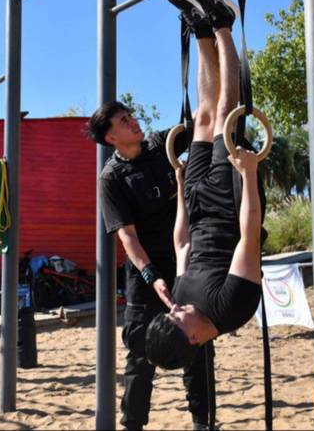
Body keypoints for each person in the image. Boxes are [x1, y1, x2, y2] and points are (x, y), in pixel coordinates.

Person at [145, 0, 265, 370]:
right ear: (195, 338)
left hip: (196, 200)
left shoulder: (183, 301)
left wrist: (180, 187)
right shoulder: (233, 309)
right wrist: (248, 175)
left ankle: (199, 31)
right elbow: (249, 235)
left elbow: (181, 245)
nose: (176, 310)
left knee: (203, 117)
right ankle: (223, 26)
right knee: (226, 111)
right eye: (177, 320)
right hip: (231, 201)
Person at [86, 101, 210, 430]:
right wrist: (151, 274)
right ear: (111, 138)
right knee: (141, 353)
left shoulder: (160, 144)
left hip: (186, 263)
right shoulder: (111, 178)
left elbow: (202, 116)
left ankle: (203, 421)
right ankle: (133, 425)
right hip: (146, 274)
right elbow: (127, 237)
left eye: (130, 116)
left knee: (199, 342)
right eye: (124, 122)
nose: (133, 122)